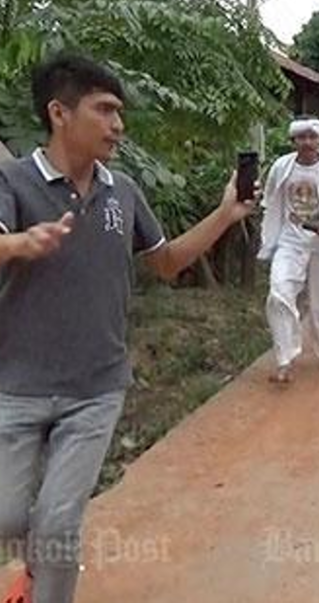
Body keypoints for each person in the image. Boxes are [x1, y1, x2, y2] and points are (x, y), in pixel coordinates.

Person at [0, 54, 256, 603]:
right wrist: (20, 243)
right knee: (7, 516)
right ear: (59, 112)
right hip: (15, 383)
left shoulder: (125, 191)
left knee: (59, 522)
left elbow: (166, 263)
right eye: (106, 109)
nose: (119, 124)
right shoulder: (13, 180)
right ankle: (37, 568)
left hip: (96, 387)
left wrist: (225, 214)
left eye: (120, 111)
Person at [260, 117, 319, 384]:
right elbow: (270, 202)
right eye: (301, 138)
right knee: (278, 294)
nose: (307, 142)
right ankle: (284, 359)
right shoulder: (281, 167)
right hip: (290, 241)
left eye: (312, 137)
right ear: (293, 141)